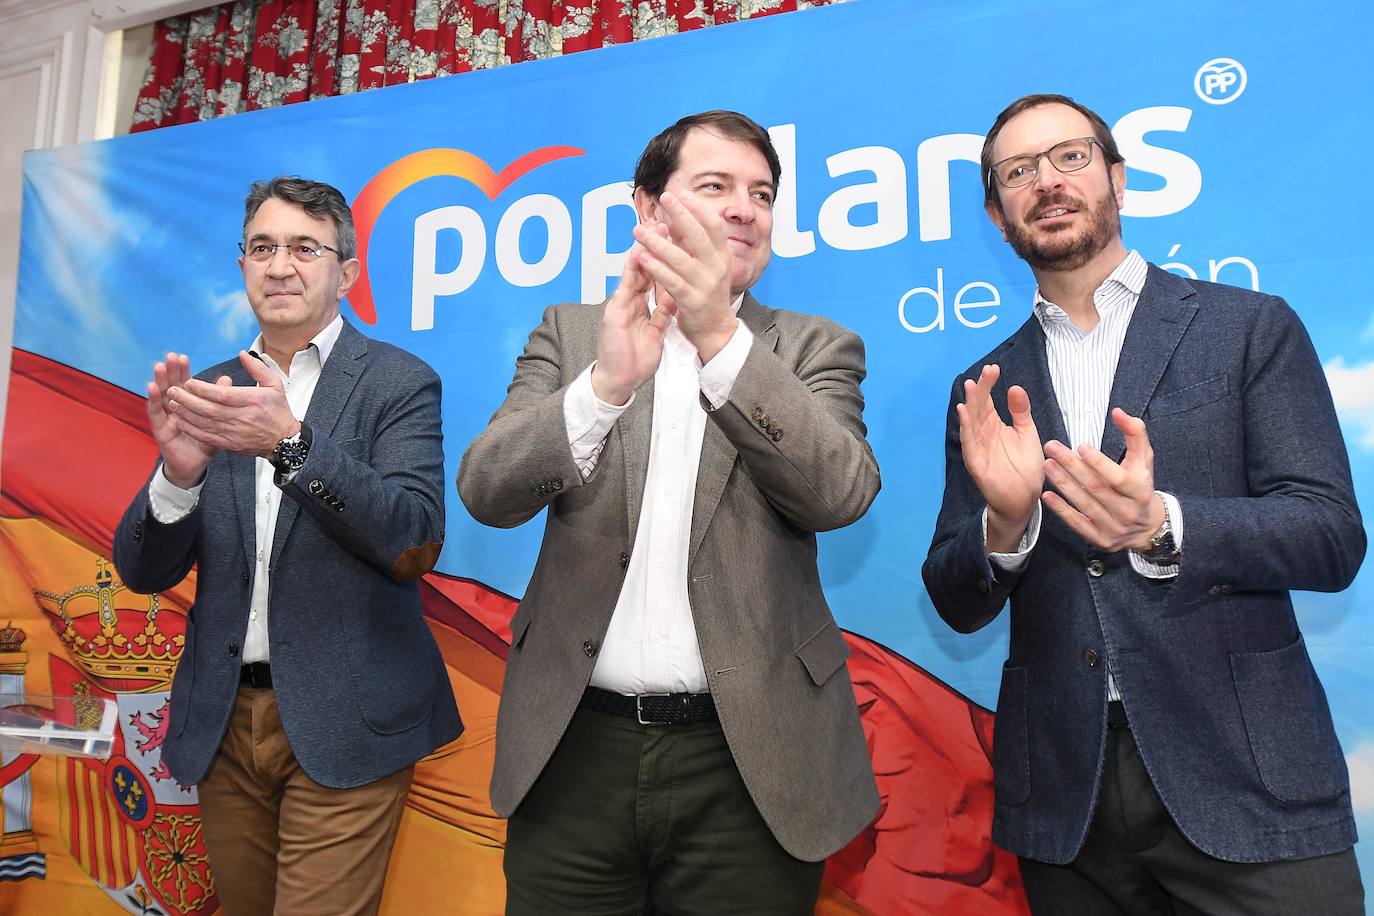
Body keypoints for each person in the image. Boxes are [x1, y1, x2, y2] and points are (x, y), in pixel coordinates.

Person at [922, 93, 1366, 914]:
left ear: (1118, 178)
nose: (1046, 182)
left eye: (1069, 157)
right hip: (1068, 801)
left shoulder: (1249, 328)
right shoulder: (984, 387)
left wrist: (1161, 524)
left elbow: (1331, 534)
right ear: (996, 212)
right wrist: (1008, 524)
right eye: (1018, 172)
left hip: (1247, 781)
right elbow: (954, 599)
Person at [458, 110, 879, 913]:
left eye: (761, 192)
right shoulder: (572, 332)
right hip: (573, 748)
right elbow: (486, 489)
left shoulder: (814, 346)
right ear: (647, 209)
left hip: (752, 757)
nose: (744, 208)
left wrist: (721, 337)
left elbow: (841, 493)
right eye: (715, 186)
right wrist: (603, 389)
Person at [113, 176, 461, 916]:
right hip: (224, 723)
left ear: (348, 272)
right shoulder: (210, 391)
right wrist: (177, 477)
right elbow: (142, 571)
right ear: (241, 265)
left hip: (347, 718)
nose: (280, 266)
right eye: (263, 248)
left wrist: (291, 445)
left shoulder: (398, 382)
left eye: (305, 248)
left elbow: (413, 539)